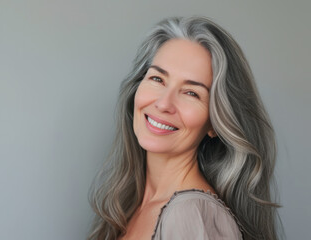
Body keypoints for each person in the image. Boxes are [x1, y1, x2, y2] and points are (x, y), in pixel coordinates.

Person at [88, 17, 281, 240]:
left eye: (191, 93)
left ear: (215, 123)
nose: (164, 103)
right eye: (157, 78)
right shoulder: (129, 203)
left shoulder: (191, 214)